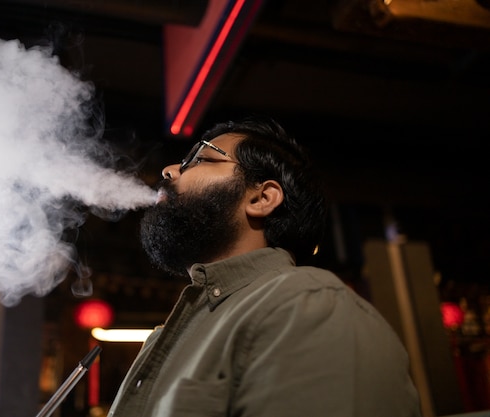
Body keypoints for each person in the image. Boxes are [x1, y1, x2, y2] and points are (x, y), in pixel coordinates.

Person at [107, 116, 421, 416]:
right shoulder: (169, 338)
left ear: (261, 198)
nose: (169, 170)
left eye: (202, 159)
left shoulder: (306, 306)